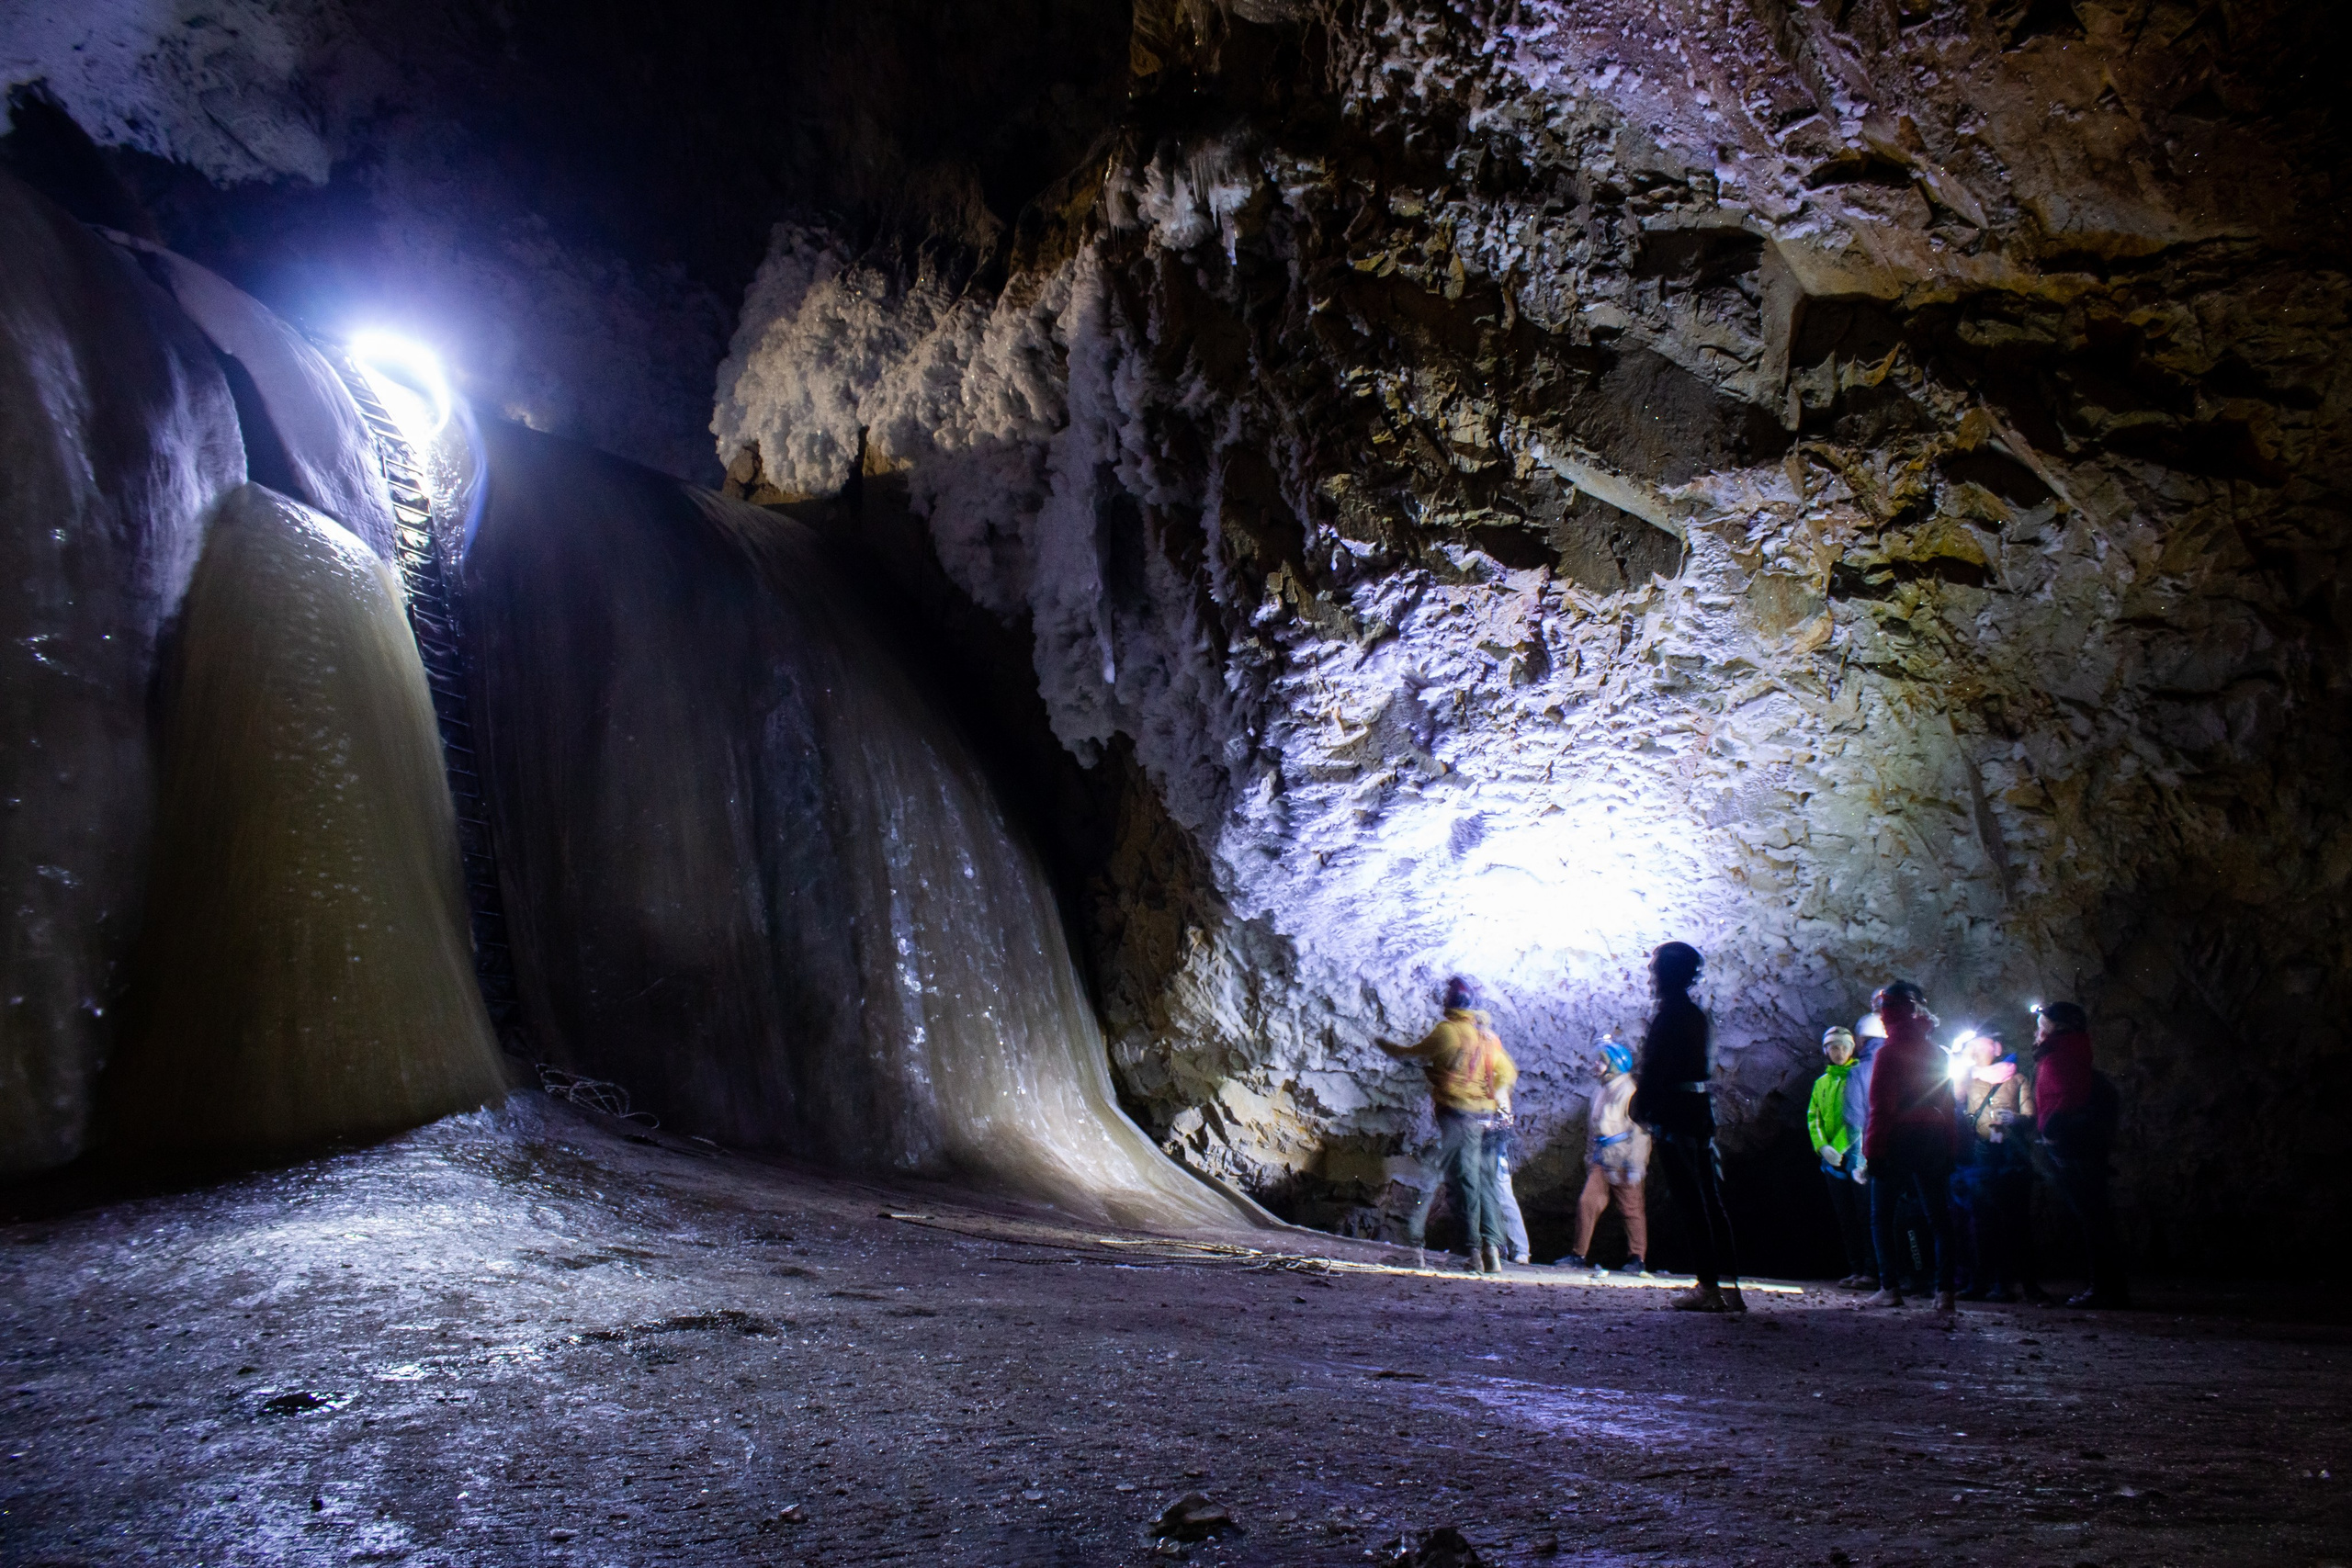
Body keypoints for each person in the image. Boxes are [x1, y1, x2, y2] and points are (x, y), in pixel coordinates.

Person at [1631, 942, 1743, 1312]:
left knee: (1692, 1201)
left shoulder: (1671, 1015)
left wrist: (1642, 1104)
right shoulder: (1693, 1014)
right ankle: (1727, 1286)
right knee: (1709, 1198)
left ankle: (1709, 1287)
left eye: (1655, 969)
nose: (1651, 976)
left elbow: (1656, 1066)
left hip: (1676, 1113)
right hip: (1696, 1111)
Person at [1381, 976, 1519, 1273]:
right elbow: (1507, 1074)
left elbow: (1412, 1055)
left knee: (1459, 1181)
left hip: (1459, 1117)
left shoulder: (1447, 1032)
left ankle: (1469, 1253)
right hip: (1488, 1119)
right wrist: (1490, 1093)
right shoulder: (1488, 1038)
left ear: (1449, 1003)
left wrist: (1382, 1044)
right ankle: (1492, 1252)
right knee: (1485, 1185)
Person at [1861, 981, 1958, 1309]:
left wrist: (1873, 1152)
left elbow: (1881, 1107)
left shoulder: (1888, 1051)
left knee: (1881, 1215)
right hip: (1932, 1137)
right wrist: (1951, 1146)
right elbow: (1948, 1105)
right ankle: (1944, 1292)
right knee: (1939, 1216)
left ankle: (1890, 1288)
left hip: (1899, 1137)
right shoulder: (1935, 1051)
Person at [2030, 1001, 2128, 1308]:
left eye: (2043, 1023)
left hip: (2072, 1147)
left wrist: (2051, 1130)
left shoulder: (2061, 1054)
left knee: (2092, 1218)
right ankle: (2106, 1286)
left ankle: (2104, 1289)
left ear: (2056, 1026)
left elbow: (2067, 1097)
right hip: (2077, 1145)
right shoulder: (2069, 1050)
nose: (2038, 1028)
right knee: (2094, 1217)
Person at [1951, 1028, 2039, 1302]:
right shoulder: (1966, 1077)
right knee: (1980, 1221)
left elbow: (2030, 1114)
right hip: (1980, 1154)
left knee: (2013, 1221)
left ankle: (2009, 1283)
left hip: (2010, 1156)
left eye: (1984, 1043)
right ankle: (1980, 1282)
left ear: (1998, 1048)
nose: (1977, 1048)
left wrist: (2014, 1119)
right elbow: (1956, 1099)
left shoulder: (2018, 1079)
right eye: (1974, 1044)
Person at [1560, 1035, 1650, 1273]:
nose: (1595, 1065)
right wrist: (1590, 1158)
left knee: (1631, 1209)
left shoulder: (1629, 1091)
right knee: (1587, 1202)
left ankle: (1637, 1257)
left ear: (1614, 1065)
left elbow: (1640, 1132)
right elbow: (1594, 1128)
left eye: (1601, 1061)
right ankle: (1578, 1254)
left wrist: (1635, 1165)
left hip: (1623, 1159)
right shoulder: (1600, 1091)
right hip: (1603, 1157)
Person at [1808, 1026, 1874, 1288]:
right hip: (1832, 1163)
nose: (1839, 1052)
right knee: (1845, 1217)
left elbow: (1858, 1117)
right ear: (1826, 1050)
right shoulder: (1821, 1082)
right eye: (1833, 1047)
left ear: (1852, 1049)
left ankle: (1871, 1270)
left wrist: (1838, 1148)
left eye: (1844, 1047)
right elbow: (1813, 1117)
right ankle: (1856, 1269)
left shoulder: (1858, 1076)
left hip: (1857, 1158)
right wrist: (1822, 1147)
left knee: (1864, 1214)